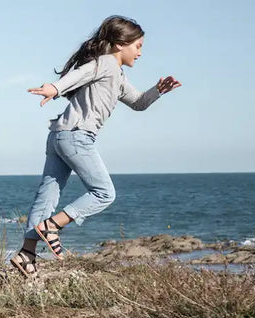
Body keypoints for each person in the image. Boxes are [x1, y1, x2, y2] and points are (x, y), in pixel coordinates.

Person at [10, 15, 182, 278]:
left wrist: (157, 91)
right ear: (119, 44)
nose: (140, 53)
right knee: (104, 192)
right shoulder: (105, 63)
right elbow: (80, 74)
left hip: (60, 135)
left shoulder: (118, 75)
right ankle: (52, 226)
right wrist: (54, 88)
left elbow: (138, 103)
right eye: (138, 46)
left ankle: (26, 254)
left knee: (47, 196)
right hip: (77, 137)